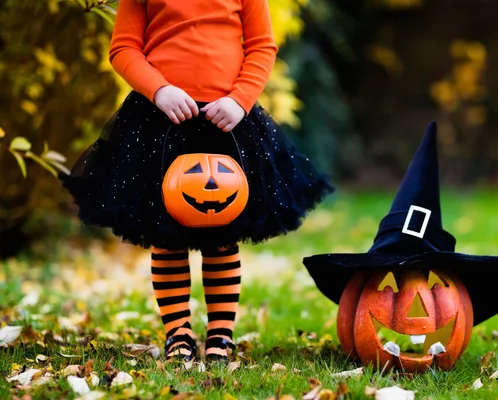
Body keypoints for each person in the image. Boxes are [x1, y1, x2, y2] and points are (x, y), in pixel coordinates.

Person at [60, 0, 333, 364]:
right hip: (160, 121)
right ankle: (179, 333)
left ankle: (220, 334)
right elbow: (124, 48)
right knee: (166, 236)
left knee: (222, 234)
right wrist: (159, 89)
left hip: (227, 121)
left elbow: (261, 47)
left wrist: (240, 100)